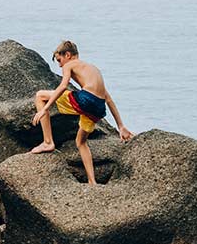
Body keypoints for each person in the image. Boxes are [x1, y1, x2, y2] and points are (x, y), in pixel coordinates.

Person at [30, 40, 134, 185]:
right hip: (98, 107)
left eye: (60, 60)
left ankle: (48, 142)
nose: (60, 65)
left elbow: (63, 86)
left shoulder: (70, 64)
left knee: (40, 95)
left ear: (68, 55)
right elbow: (108, 99)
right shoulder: (94, 69)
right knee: (81, 141)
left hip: (85, 100)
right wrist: (121, 126)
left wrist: (45, 109)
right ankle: (92, 181)